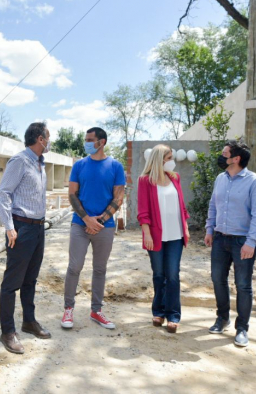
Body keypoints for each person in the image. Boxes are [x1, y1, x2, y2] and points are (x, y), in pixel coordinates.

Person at [204, 140, 256, 348]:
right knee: (217, 279)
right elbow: (213, 206)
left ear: (236, 158)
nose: (221, 157)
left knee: (243, 285)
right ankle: (222, 319)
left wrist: (251, 242)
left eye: (225, 154)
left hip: (243, 241)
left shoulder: (254, 181)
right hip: (220, 238)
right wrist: (209, 229)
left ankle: (242, 329)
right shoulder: (220, 179)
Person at [61, 127, 126, 330]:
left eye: (90, 139)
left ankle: (96, 311)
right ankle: (68, 309)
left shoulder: (116, 166)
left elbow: (119, 197)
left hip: (105, 227)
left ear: (102, 142)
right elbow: (72, 195)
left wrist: (100, 220)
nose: (86, 143)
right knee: (74, 267)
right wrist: (87, 219)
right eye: (86, 139)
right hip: (80, 224)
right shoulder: (79, 165)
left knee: (100, 269)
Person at [0, 122, 52, 354]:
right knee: (12, 283)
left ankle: (29, 321)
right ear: (40, 139)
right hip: (21, 228)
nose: (49, 141)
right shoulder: (20, 161)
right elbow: (3, 193)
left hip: (38, 229)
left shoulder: (40, 163)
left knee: (31, 279)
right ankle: (7, 331)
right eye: (48, 137)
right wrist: (9, 227)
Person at [136, 144, 190, 333]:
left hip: (176, 235)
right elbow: (143, 211)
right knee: (159, 275)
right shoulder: (145, 181)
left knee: (173, 275)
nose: (171, 162)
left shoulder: (175, 178)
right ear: (159, 160)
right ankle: (158, 311)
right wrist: (147, 233)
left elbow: (182, 206)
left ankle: (173, 315)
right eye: (168, 158)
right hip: (156, 236)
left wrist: (186, 227)